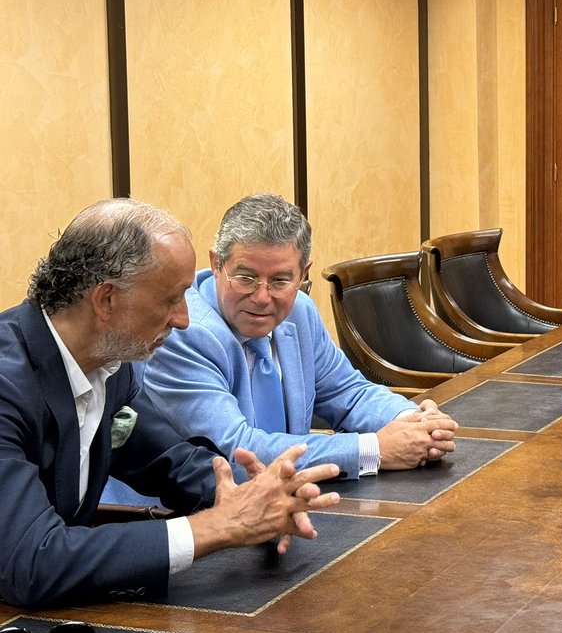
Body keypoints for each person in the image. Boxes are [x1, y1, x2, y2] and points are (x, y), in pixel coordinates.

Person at [0, 199, 341, 608]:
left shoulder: (111, 365)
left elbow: (173, 461)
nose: (183, 318)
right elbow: (32, 563)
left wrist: (254, 500)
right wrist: (214, 529)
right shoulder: (7, 383)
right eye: (170, 299)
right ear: (106, 300)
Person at [134, 194, 458, 480]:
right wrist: (375, 449)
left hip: (285, 508)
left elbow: (348, 392)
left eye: (279, 280)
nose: (262, 297)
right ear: (216, 264)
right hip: (192, 518)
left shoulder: (299, 311)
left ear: (303, 275)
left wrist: (415, 422)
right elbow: (238, 454)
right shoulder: (184, 333)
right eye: (246, 277)